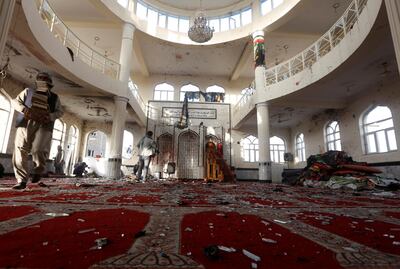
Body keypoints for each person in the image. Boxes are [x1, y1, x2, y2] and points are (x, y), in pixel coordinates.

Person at [11, 72, 63, 189]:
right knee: (20, 149)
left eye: (45, 80)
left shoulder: (54, 97)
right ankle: (21, 180)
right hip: (26, 122)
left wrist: (50, 116)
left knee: (39, 149)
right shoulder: (28, 91)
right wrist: (24, 109)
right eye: (40, 79)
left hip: (44, 124)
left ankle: (38, 171)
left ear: (49, 84)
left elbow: (60, 112)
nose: (43, 82)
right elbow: (14, 101)